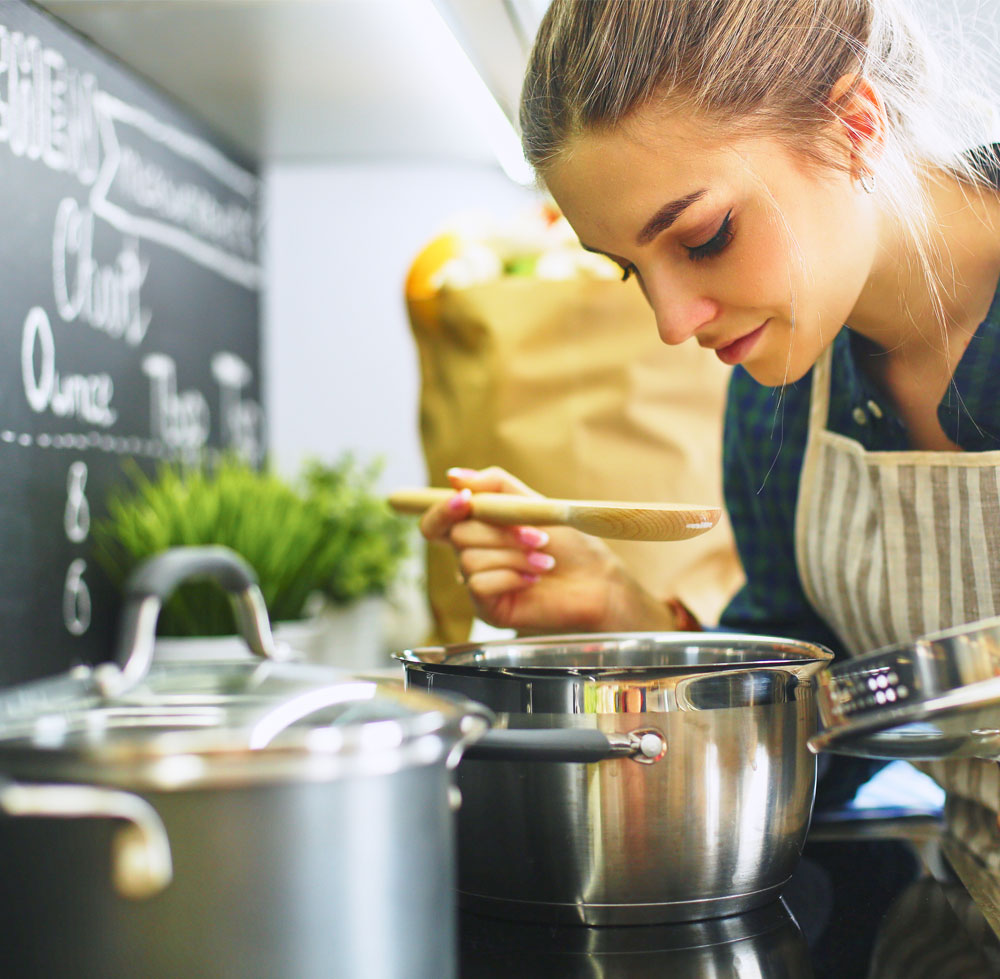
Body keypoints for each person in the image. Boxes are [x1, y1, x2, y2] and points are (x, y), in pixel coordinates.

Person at [419, 0, 1000, 821]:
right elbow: (817, 740)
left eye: (704, 236)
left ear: (853, 127)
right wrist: (619, 611)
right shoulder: (780, 410)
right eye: (629, 269)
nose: (672, 322)